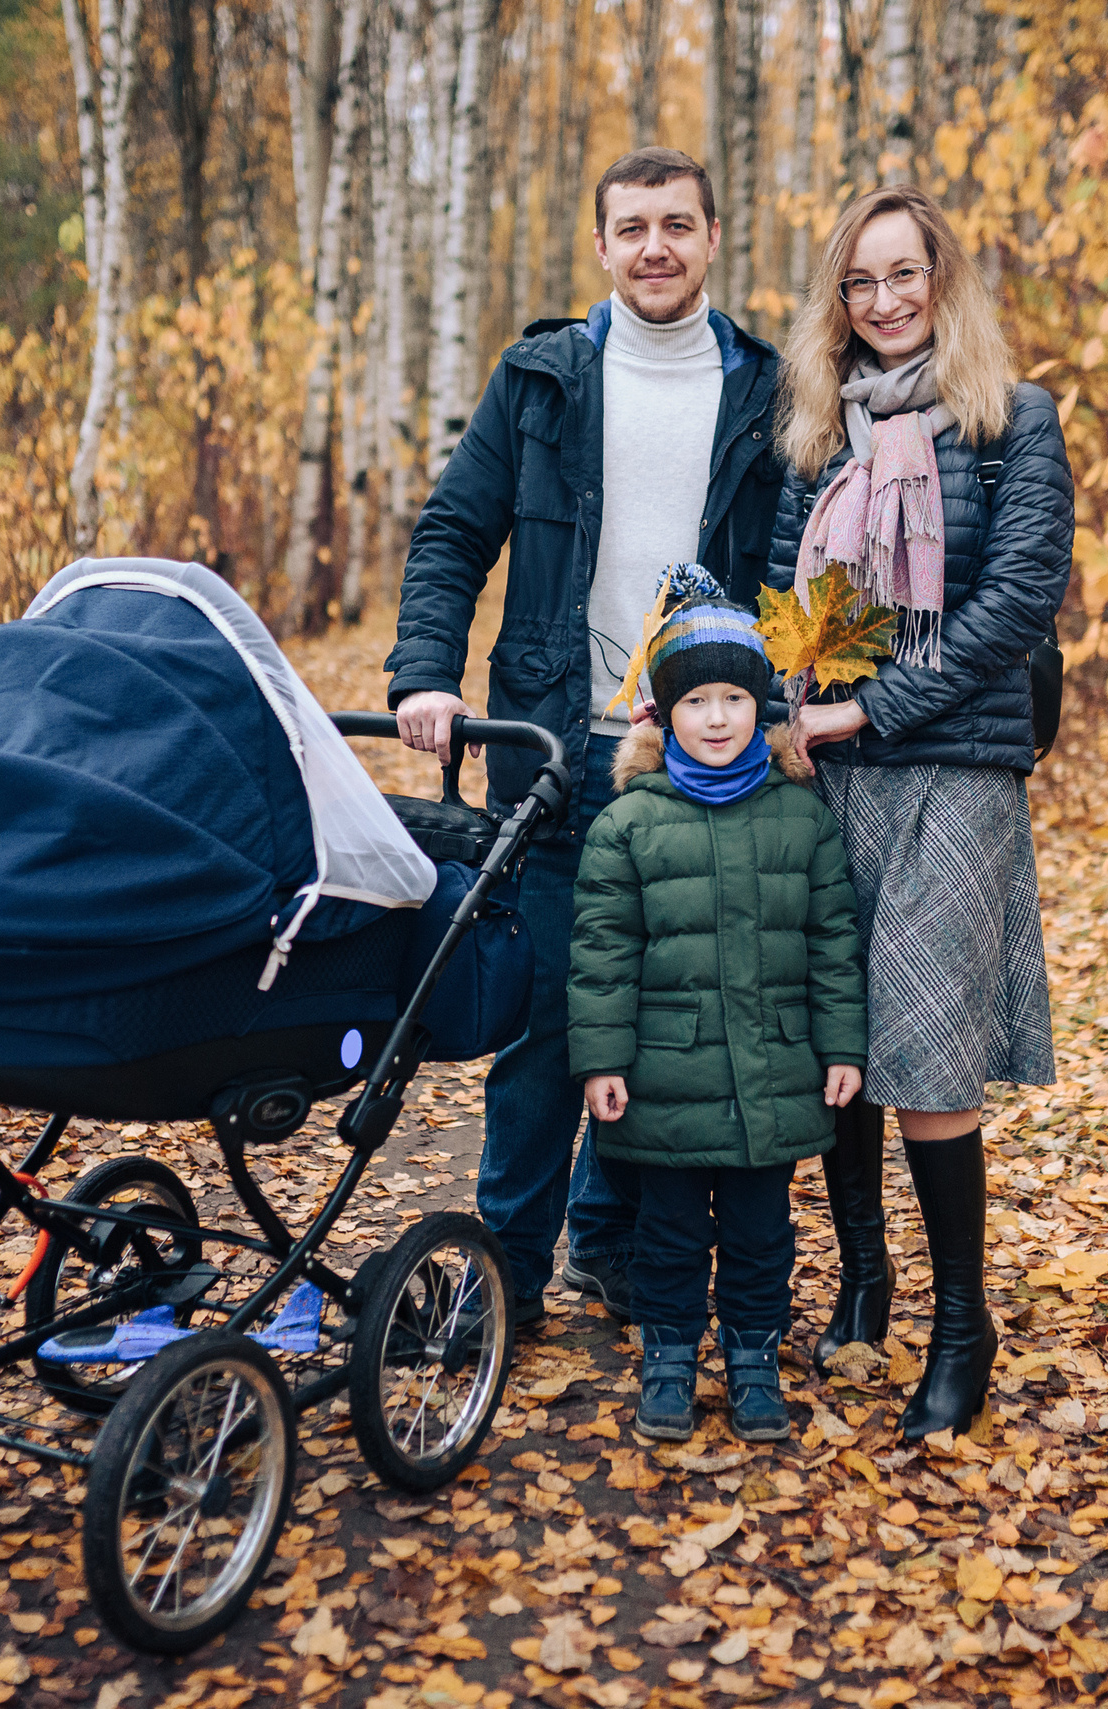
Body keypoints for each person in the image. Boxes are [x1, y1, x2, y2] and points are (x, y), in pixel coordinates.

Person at [387, 148, 786, 1328]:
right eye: (631, 227)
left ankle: (606, 1242)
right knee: (554, 1018)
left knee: (663, 1021)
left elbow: (796, 563)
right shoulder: (543, 378)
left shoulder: (766, 387)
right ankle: (503, 1268)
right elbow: (455, 531)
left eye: (677, 224)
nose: (654, 246)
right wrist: (424, 673)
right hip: (556, 746)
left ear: (712, 236)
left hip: (697, 754)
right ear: (601, 246)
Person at [765, 184, 1073, 1440]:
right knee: (841, 1038)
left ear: (943, 282)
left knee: (930, 1051)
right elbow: (773, 596)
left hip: (955, 764)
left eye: (905, 275)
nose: (885, 301)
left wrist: (873, 708)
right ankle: (860, 1279)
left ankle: (961, 1320)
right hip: (827, 772)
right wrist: (758, 709)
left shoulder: (1014, 422)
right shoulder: (813, 438)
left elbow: (1017, 604)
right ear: (836, 306)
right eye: (860, 283)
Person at [567, 578, 865, 1441]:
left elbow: (832, 942)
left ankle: (752, 1357)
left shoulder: (799, 816)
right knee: (665, 1233)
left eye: (736, 696)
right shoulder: (629, 825)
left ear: (760, 706)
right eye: (696, 699)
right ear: (665, 712)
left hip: (771, 1071)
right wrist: (602, 1062)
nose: (719, 716)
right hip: (667, 1072)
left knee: (759, 1231)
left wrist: (841, 1046)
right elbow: (602, 957)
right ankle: (668, 1357)